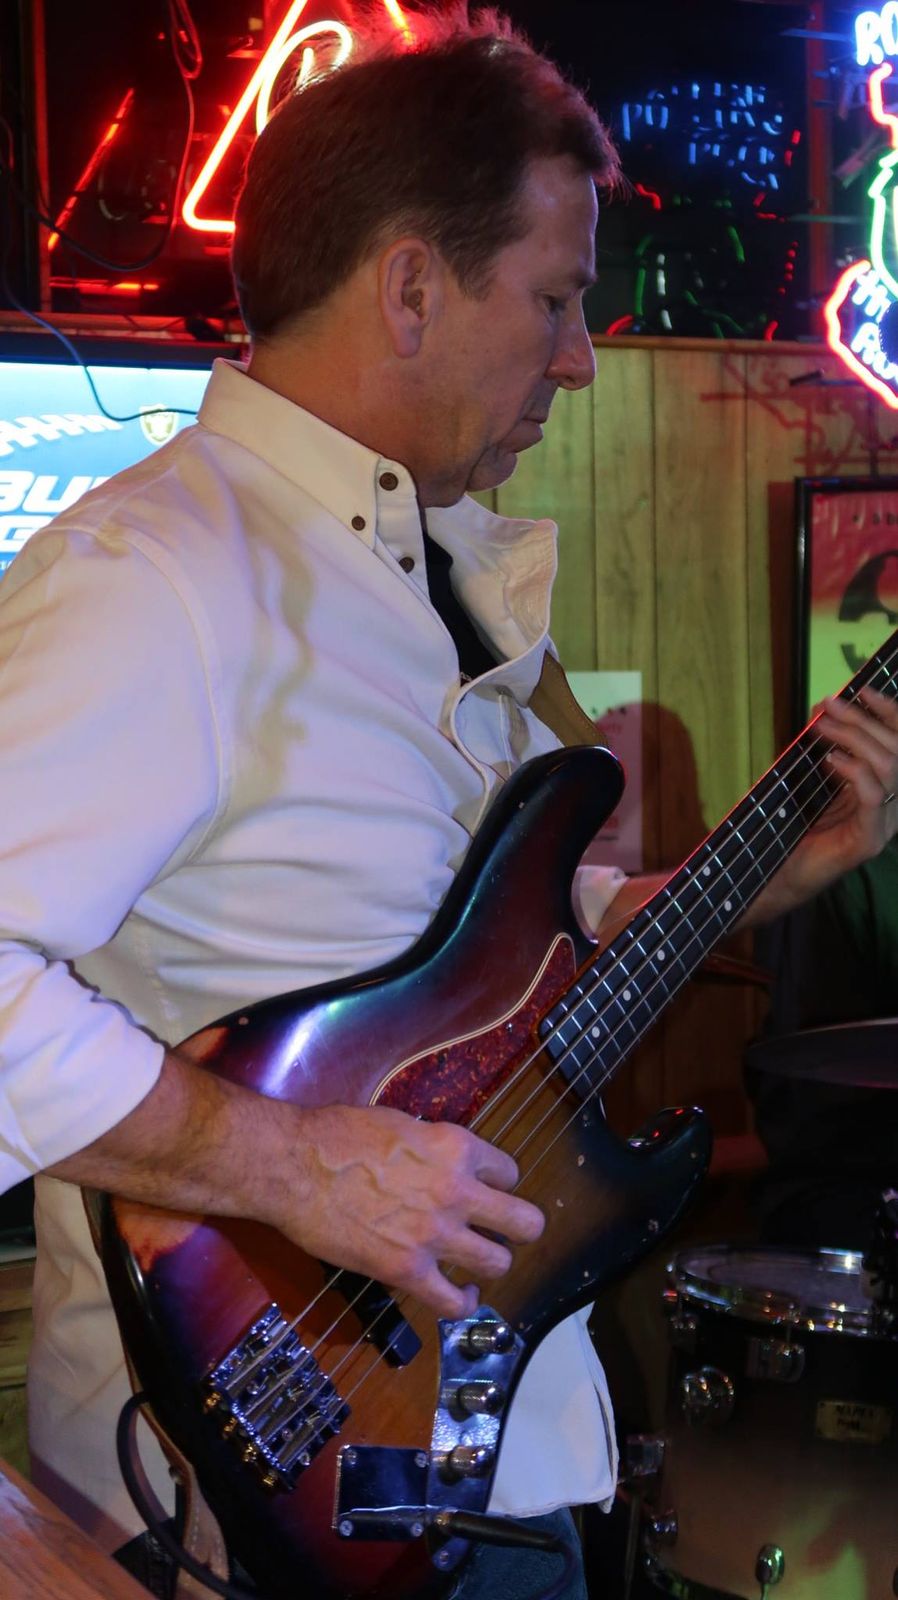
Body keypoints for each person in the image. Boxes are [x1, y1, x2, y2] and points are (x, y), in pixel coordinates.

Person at [1, 7, 897, 1597]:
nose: (579, 353)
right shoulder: (159, 575)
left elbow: (476, 954)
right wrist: (291, 1167)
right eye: (553, 296)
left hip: (487, 1440)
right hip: (253, 1487)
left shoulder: (428, 569)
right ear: (411, 286)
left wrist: (760, 873)